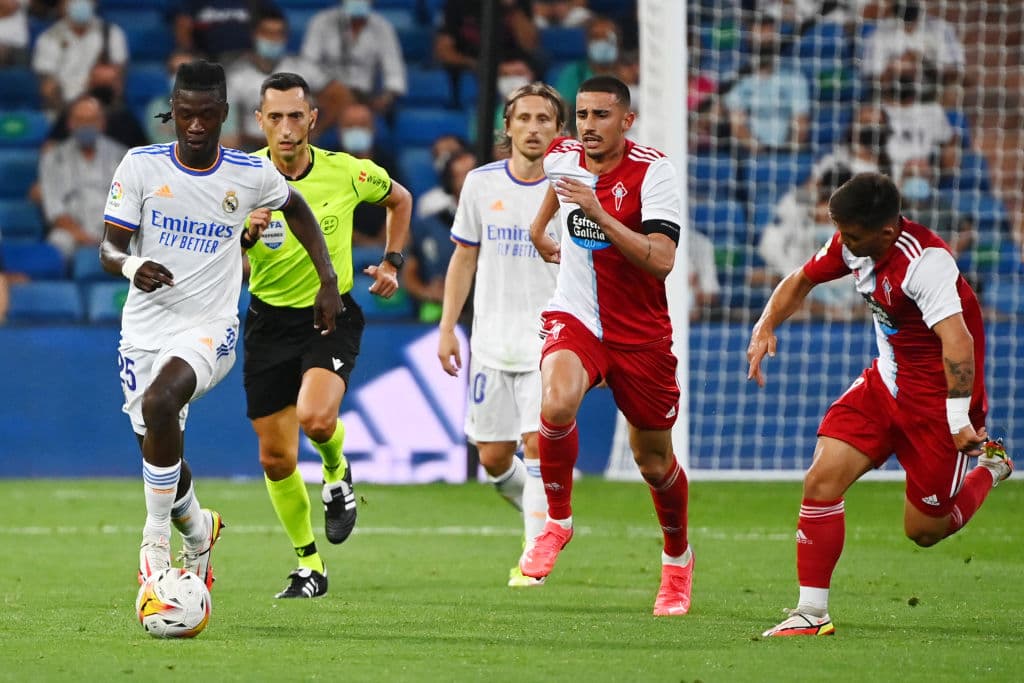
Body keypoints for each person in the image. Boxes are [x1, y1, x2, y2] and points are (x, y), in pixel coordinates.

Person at [98, 60, 343, 593]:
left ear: (224, 114)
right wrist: (131, 265)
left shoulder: (249, 174)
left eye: (206, 115)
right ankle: (198, 528)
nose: (195, 125)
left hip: (210, 326)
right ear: (173, 112)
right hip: (144, 329)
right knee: (159, 449)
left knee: (161, 405)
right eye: (185, 114)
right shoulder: (140, 166)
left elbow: (297, 209)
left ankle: (155, 542)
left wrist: (328, 279)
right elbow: (109, 246)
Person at [747, 172, 1013, 638]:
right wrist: (765, 325)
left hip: (938, 405)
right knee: (822, 479)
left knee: (925, 531)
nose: (842, 242)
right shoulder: (853, 245)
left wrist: (957, 418)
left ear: (887, 232)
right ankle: (811, 613)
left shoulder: (925, 265)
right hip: (884, 386)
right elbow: (801, 278)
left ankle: (991, 468)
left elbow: (958, 342)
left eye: (851, 234)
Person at [524, 75, 692, 615]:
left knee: (654, 461)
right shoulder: (565, 155)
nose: (588, 127)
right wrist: (537, 228)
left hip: (641, 336)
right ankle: (558, 523)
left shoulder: (654, 172)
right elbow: (558, 176)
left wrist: (598, 213)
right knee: (555, 403)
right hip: (578, 318)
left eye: (601, 115)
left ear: (627, 120)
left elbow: (662, 261)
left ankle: (677, 559)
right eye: (582, 115)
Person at [243, 71, 412, 598]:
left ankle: (337, 473)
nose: (287, 128)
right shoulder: (242, 179)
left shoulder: (348, 172)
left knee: (317, 420)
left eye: (296, 116)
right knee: (276, 458)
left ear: (313, 119)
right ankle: (309, 565)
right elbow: (218, 247)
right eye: (276, 118)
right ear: (259, 122)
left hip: (328, 315)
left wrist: (392, 262)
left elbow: (400, 200)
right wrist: (241, 237)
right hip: (267, 322)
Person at [437, 83, 565, 588]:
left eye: (545, 120)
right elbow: (464, 256)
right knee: (493, 457)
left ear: (560, 130)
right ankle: (540, 513)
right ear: (506, 127)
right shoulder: (481, 184)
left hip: (549, 340)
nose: (534, 128)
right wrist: (448, 327)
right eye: (525, 118)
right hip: (490, 340)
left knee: (537, 444)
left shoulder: (572, 187)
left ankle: (534, 556)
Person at [226, 8, 349, 150]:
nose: (273, 39)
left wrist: (316, 131)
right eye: (268, 33)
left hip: (299, 150)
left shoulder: (301, 68)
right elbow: (229, 130)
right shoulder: (236, 76)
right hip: (253, 151)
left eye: (279, 34)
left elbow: (341, 96)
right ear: (255, 35)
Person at [39, 94, 126, 260]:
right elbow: (54, 209)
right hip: (71, 231)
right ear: (70, 123)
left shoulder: (121, 155)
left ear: (102, 123)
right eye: (81, 120)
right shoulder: (53, 158)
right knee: (57, 243)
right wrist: (82, 237)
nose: (86, 126)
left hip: (113, 230)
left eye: (92, 120)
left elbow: (130, 203)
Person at [300, 0, 407, 120]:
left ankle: (316, 134)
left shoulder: (383, 27)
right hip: (326, 93)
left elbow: (394, 72)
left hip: (363, 97)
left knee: (357, 114)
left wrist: (387, 97)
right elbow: (307, 65)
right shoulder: (321, 22)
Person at [723, 12, 810, 152]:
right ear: (750, 42)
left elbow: (801, 122)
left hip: (786, 154)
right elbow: (737, 126)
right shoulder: (735, 79)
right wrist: (761, 152)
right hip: (749, 155)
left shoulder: (795, 78)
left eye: (769, 42)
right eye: (760, 42)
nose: (764, 48)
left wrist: (787, 153)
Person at [31, 0, 129, 114]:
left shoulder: (112, 33)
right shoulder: (48, 38)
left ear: (95, 3)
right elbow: (47, 85)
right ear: (61, 5)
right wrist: (68, 114)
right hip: (63, 108)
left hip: (101, 107)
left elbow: (118, 79)